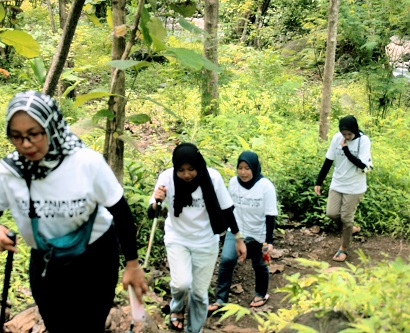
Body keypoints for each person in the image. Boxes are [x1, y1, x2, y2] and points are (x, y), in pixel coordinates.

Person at [0, 91, 147, 333]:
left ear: (52, 127)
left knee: (90, 325)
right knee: (57, 325)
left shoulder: (85, 163)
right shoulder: (9, 171)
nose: (26, 144)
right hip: (46, 262)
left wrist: (132, 265)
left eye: (34, 134)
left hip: (95, 259)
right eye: (17, 136)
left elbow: (120, 211)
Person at [149, 143, 247, 333]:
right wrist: (157, 200)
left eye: (191, 169)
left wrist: (238, 238)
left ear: (198, 165)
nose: (186, 175)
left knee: (199, 293)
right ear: (175, 168)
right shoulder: (167, 178)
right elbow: (153, 213)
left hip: (205, 240)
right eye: (182, 170)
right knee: (181, 284)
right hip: (178, 237)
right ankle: (176, 308)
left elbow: (227, 209)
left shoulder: (212, 177)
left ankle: (194, 329)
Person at [208, 151, 278, 312]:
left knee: (260, 264)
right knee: (226, 260)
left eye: (247, 168)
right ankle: (221, 299)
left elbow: (270, 215)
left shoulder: (265, 186)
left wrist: (269, 241)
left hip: (259, 233)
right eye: (240, 168)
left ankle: (261, 294)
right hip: (237, 231)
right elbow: (227, 207)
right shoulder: (233, 182)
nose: (243, 172)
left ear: (254, 168)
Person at [314, 115, 372, 262]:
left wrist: (346, 150)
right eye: (343, 134)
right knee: (331, 213)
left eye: (349, 134)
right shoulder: (336, 138)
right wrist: (319, 182)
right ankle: (349, 228)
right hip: (337, 183)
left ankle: (343, 249)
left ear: (355, 130)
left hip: (354, 186)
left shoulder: (363, 141)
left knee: (346, 217)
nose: (346, 137)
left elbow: (363, 166)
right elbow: (328, 160)